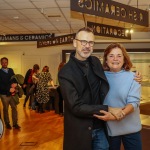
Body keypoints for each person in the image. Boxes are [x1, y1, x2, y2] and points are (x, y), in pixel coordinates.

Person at [58, 27, 142, 150]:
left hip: (101, 127)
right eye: (83, 42)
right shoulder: (65, 72)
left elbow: (115, 74)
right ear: (75, 43)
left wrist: (134, 75)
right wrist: (108, 109)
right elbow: (75, 106)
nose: (87, 46)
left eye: (91, 43)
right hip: (81, 130)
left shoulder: (95, 62)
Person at [94, 43, 142, 150]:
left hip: (131, 129)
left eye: (119, 56)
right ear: (106, 60)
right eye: (111, 56)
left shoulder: (133, 77)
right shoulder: (100, 78)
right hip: (110, 130)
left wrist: (116, 116)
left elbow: (134, 103)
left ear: (124, 59)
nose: (115, 59)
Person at [0, 57, 20, 129]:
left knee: (14, 108)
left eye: (6, 62)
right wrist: (9, 89)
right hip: (4, 94)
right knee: (5, 109)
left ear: (7, 63)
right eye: (3, 62)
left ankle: (15, 123)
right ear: (1, 63)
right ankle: (7, 123)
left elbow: (15, 78)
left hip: (13, 94)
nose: (4, 63)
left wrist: (16, 84)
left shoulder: (11, 70)